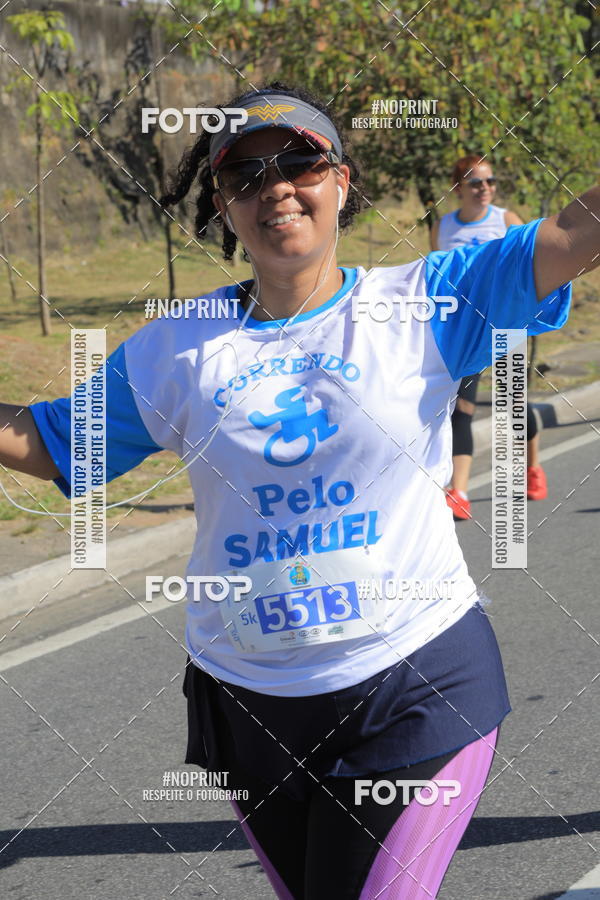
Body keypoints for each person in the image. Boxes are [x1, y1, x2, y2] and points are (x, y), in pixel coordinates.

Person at [1, 81, 597, 899]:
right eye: (246, 176)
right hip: (249, 705)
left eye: (299, 163)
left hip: (414, 683)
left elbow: (571, 233)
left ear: (341, 182)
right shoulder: (176, 347)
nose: (275, 186)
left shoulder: (425, 301)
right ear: (224, 205)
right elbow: (50, 441)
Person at [431, 154, 548, 520]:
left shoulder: (506, 220)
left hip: (507, 323)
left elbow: (531, 267)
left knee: (513, 404)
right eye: (476, 182)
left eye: (490, 182)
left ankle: (533, 467)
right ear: (458, 188)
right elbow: (438, 277)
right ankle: (459, 492)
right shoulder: (444, 226)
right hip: (464, 330)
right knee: (461, 410)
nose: (485, 189)